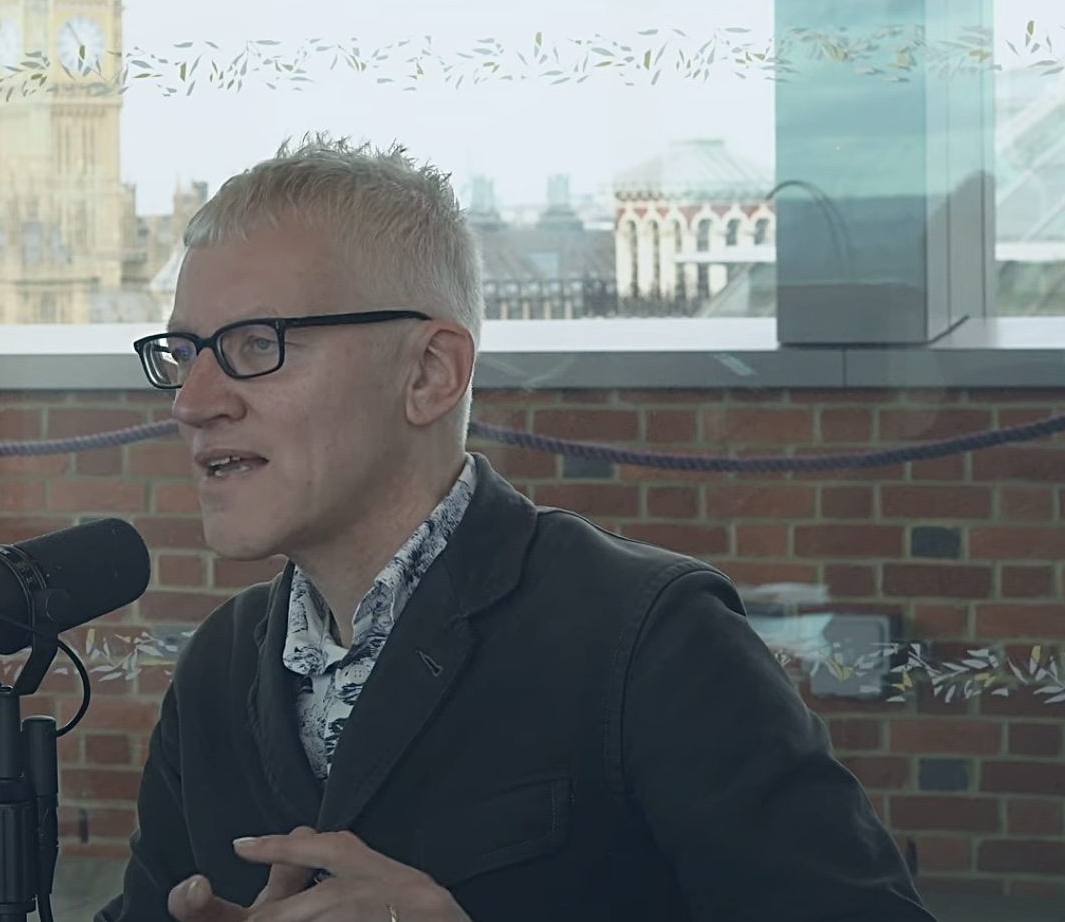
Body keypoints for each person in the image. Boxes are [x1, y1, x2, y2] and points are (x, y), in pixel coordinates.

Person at [100, 136, 936, 922]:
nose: (193, 401)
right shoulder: (217, 666)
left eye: (256, 343)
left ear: (429, 374)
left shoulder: (649, 639)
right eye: (183, 350)